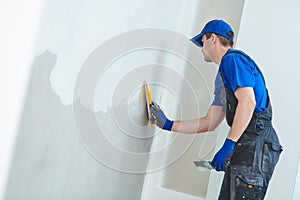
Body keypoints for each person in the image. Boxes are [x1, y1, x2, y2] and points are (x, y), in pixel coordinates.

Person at [150, 19, 282, 200]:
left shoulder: (232, 60)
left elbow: (248, 102)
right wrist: (168, 124)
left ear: (212, 38)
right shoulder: (223, 77)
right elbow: (209, 122)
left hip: (256, 145)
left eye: (202, 41)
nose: (201, 47)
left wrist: (229, 145)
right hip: (247, 147)